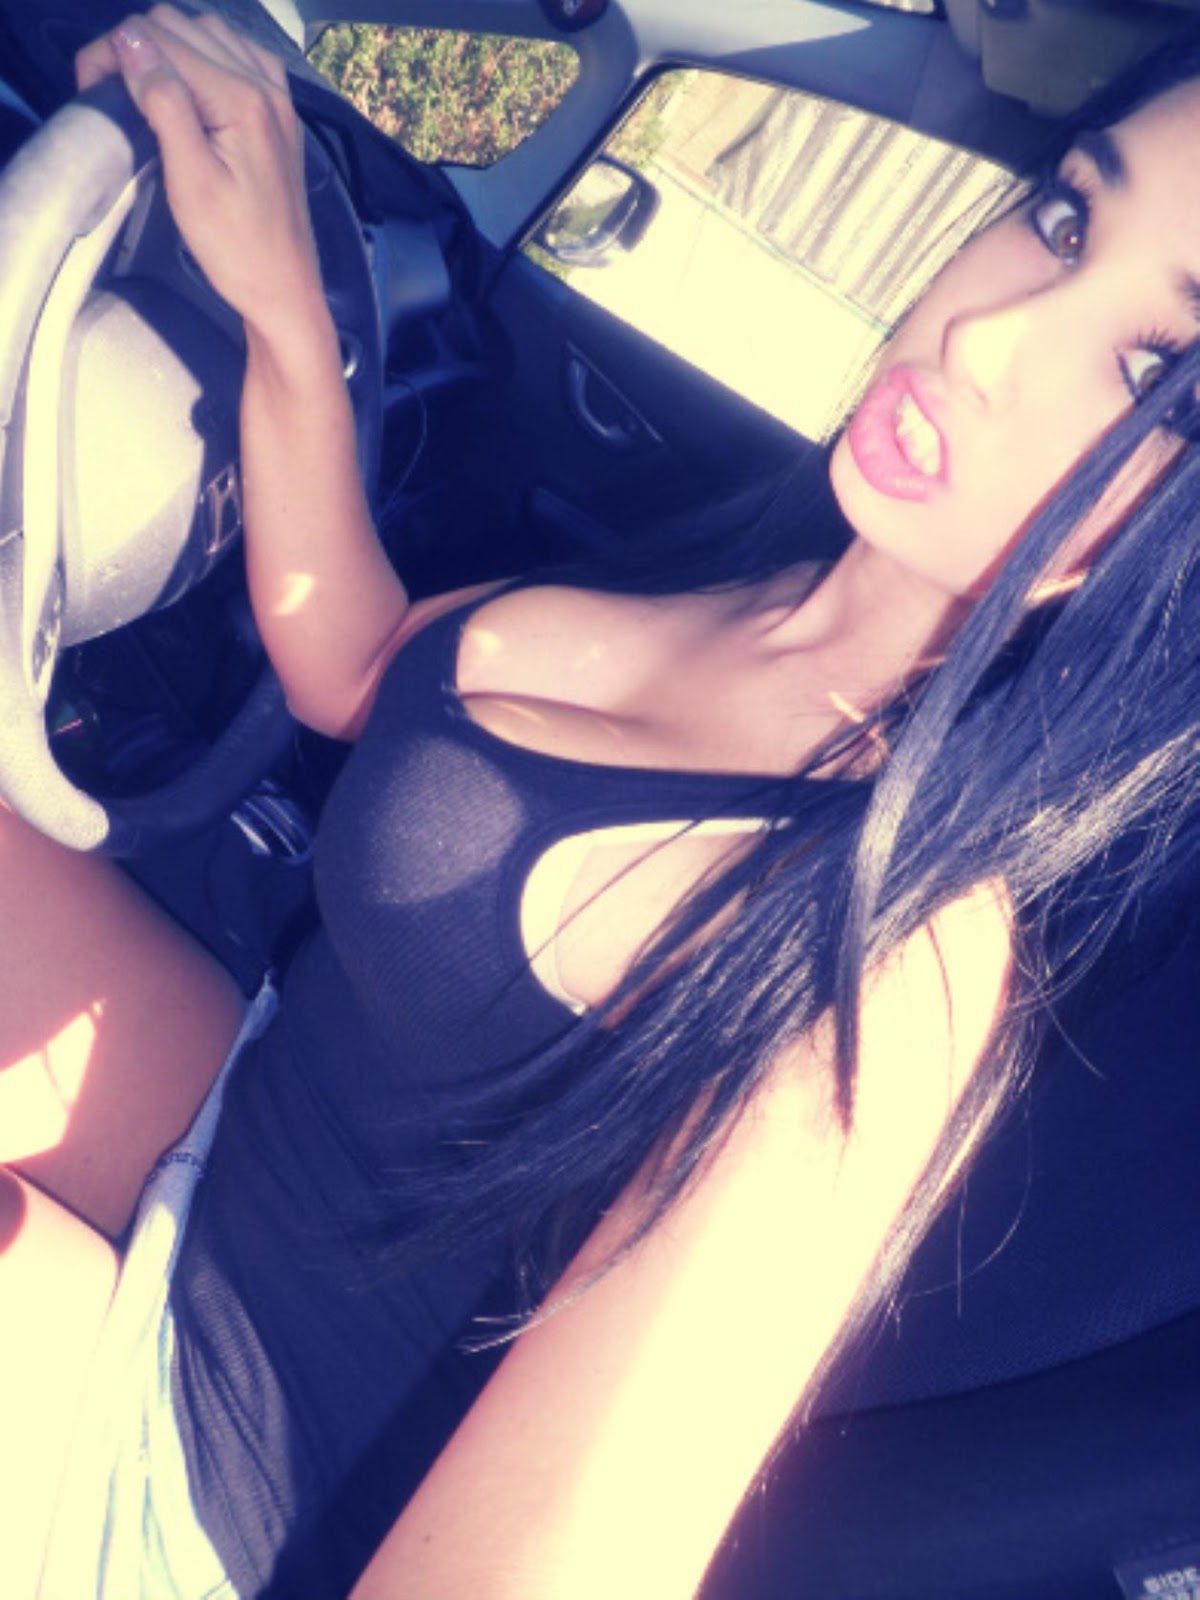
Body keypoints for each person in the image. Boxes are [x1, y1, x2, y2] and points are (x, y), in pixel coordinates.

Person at [5, 5, 1200, 1597]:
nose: (988, 337)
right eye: (1064, 219)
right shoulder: (761, 565)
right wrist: (285, 305)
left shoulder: (904, 948)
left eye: (1152, 374)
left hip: (190, 1501)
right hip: (230, 1149)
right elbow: (357, 665)